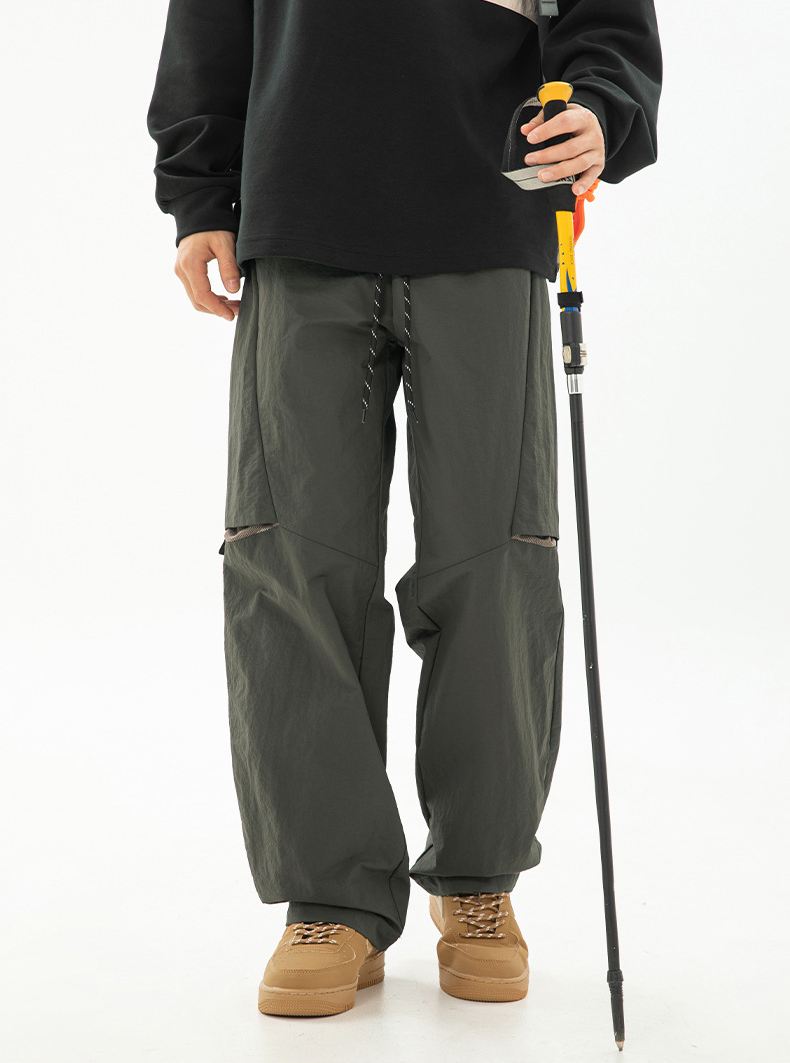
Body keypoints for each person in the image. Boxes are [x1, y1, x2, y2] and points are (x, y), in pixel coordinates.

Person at [147, 0, 662, 1018]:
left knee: (494, 555)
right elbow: (210, 19)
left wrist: (602, 109)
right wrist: (200, 190)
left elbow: (608, 21)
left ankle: (477, 880)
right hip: (301, 204)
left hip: (488, 205)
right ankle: (330, 897)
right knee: (289, 560)